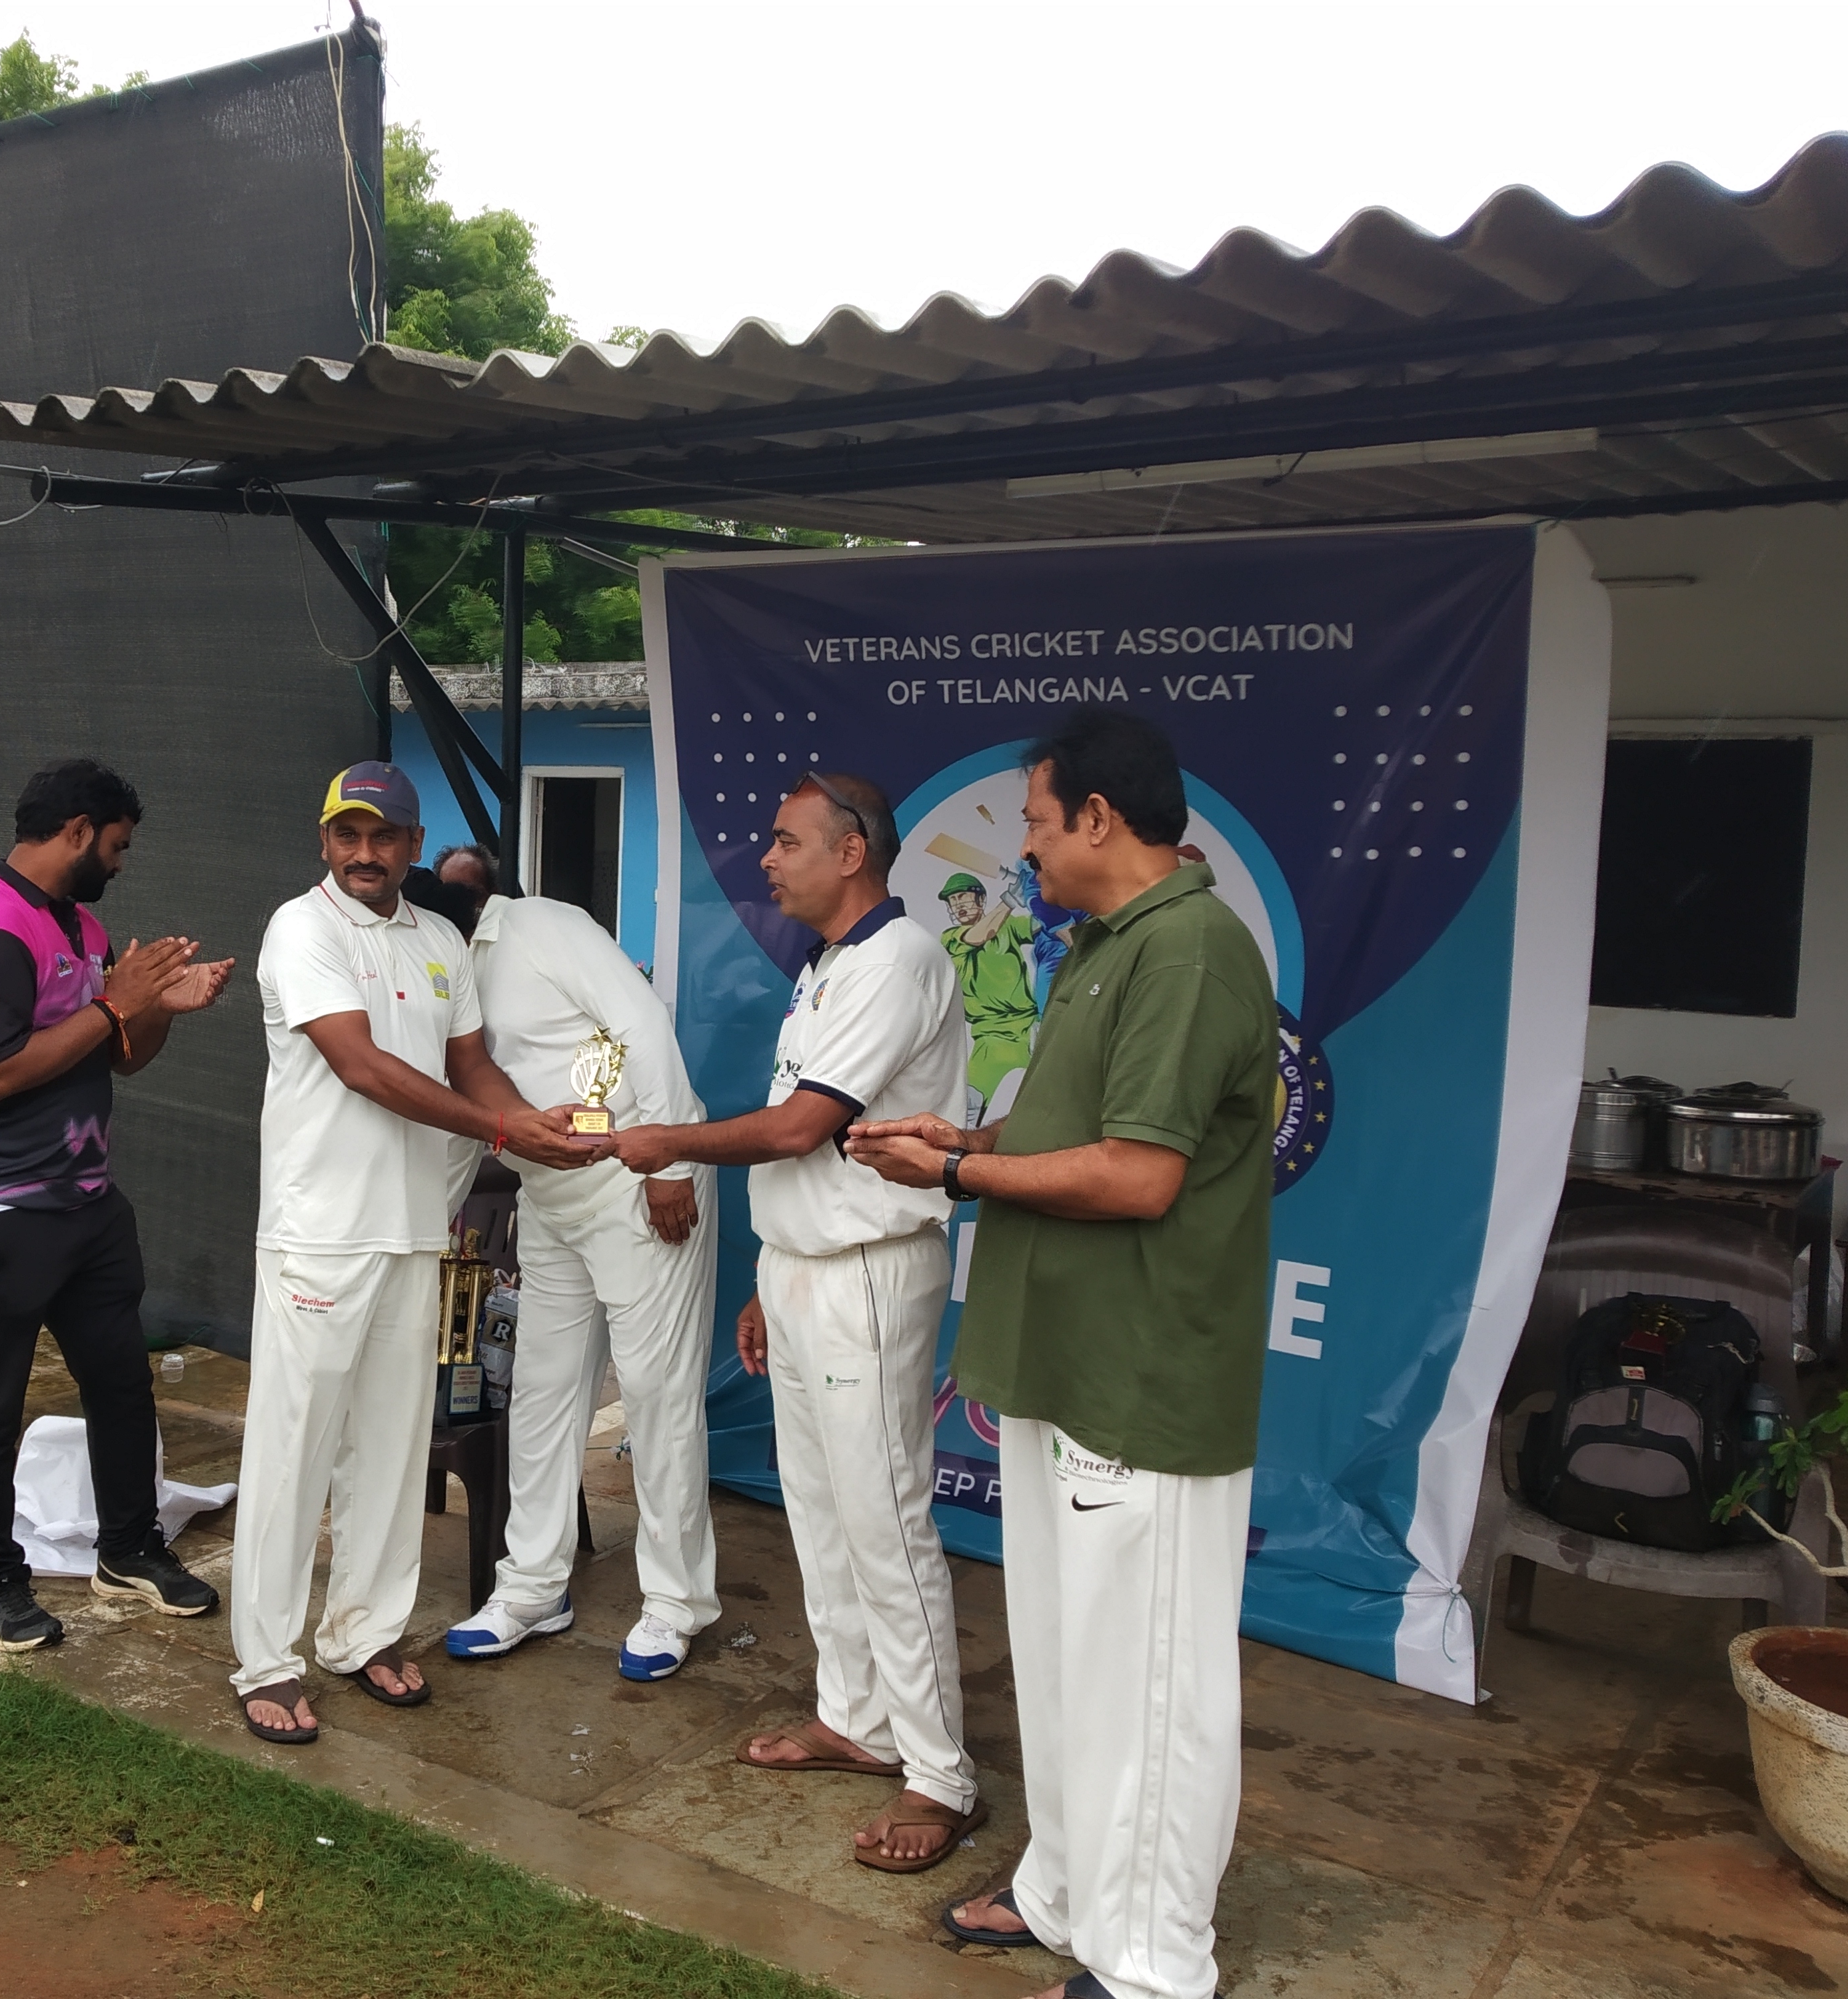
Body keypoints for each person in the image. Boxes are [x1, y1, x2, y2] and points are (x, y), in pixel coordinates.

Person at [848, 708, 1276, 1999]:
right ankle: (1067, 1891)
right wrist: (963, 1144)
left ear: (1097, 816)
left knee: (1145, 1683)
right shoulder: (1101, 945)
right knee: (1062, 1656)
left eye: (1036, 822)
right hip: (1059, 1366)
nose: (1025, 848)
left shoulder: (1189, 949)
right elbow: (1080, 1131)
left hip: (1140, 1382)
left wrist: (956, 1173)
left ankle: (1150, 1962)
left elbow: (1140, 1176)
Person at [607, 772, 978, 1872]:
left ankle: (940, 1773)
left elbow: (799, 1129)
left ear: (852, 853)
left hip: (869, 1275)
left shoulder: (898, 960)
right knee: (820, 1514)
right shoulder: (828, 965)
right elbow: (804, 1155)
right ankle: (856, 1719)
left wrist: (668, 1142)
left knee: (885, 1521)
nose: (766, 859)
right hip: (812, 1268)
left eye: (786, 841)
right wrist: (772, 1276)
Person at [231, 762, 598, 1744]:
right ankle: (267, 1659)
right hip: (318, 1233)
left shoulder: (439, 939)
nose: (365, 853)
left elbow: (470, 1066)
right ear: (324, 840)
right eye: (348, 834)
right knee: (294, 1450)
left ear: (411, 843)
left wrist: (531, 1120)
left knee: (392, 1448)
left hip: (414, 1227)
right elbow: (362, 1067)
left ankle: (364, 1633)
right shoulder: (300, 928)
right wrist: (506, 1130)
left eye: (383, 836)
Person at [0, 758, 236, 1652]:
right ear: (79, 832)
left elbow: (118, 1054)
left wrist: (156, 1007)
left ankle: (128, 1550)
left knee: (121, 1383)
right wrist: (116, 1003)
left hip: (84, 1206)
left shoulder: (82, 926)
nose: (121, 865)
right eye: (117, 847)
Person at [443, 890, 720, 1681]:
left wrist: (669, 1161)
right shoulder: (441, 965)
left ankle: (675, 1603)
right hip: (548, 1195)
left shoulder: (541, 926)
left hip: (635, 1184)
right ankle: (533, 1587)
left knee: (656, 1395)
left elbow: (642, 1025)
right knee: (542, 1390)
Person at [938, 867, 1039, 1121]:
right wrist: (1011, 900)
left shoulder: (1010, 927)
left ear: (981, 899)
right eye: (953, 900)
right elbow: (982, 934)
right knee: (969, 1112)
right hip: (990, 1040)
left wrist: (1045, 893)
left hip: (1030, 1033)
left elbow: (1046, 925)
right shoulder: (951, 938)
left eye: (963, 896)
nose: (958, 905)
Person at [431, 842, 504, 926]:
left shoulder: (510, 930)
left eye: (471, 894)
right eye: (450, 896)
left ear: (494, 893)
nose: (461, 903)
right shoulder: (429, 931)